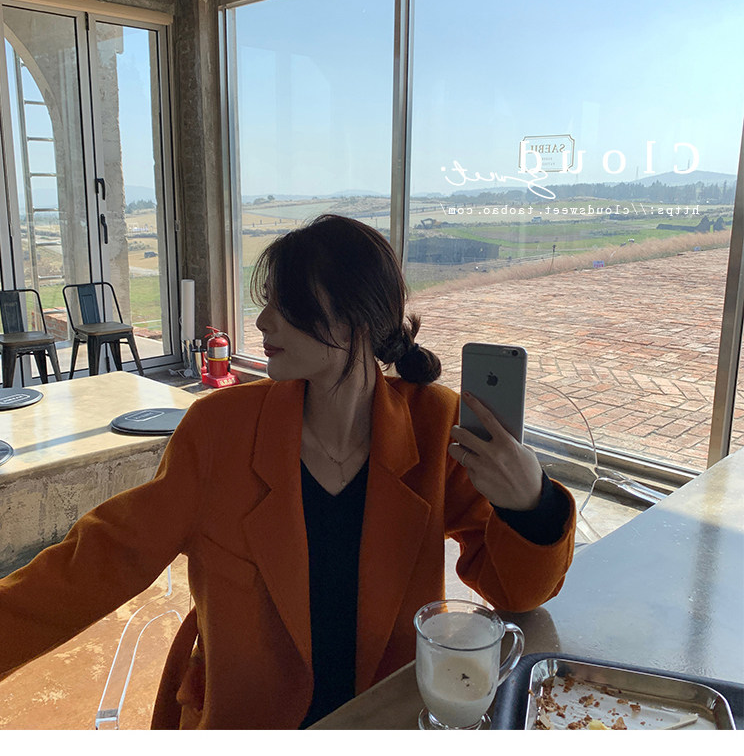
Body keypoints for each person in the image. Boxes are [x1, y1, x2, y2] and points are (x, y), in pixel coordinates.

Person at [0, 215, 575, 729]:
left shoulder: (435, 425)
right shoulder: (220, 430)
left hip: (386, 720)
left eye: (287, 306)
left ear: (355, 319)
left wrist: (533, 504)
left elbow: (518, 594)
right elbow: (103, 558)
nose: (263, 321)